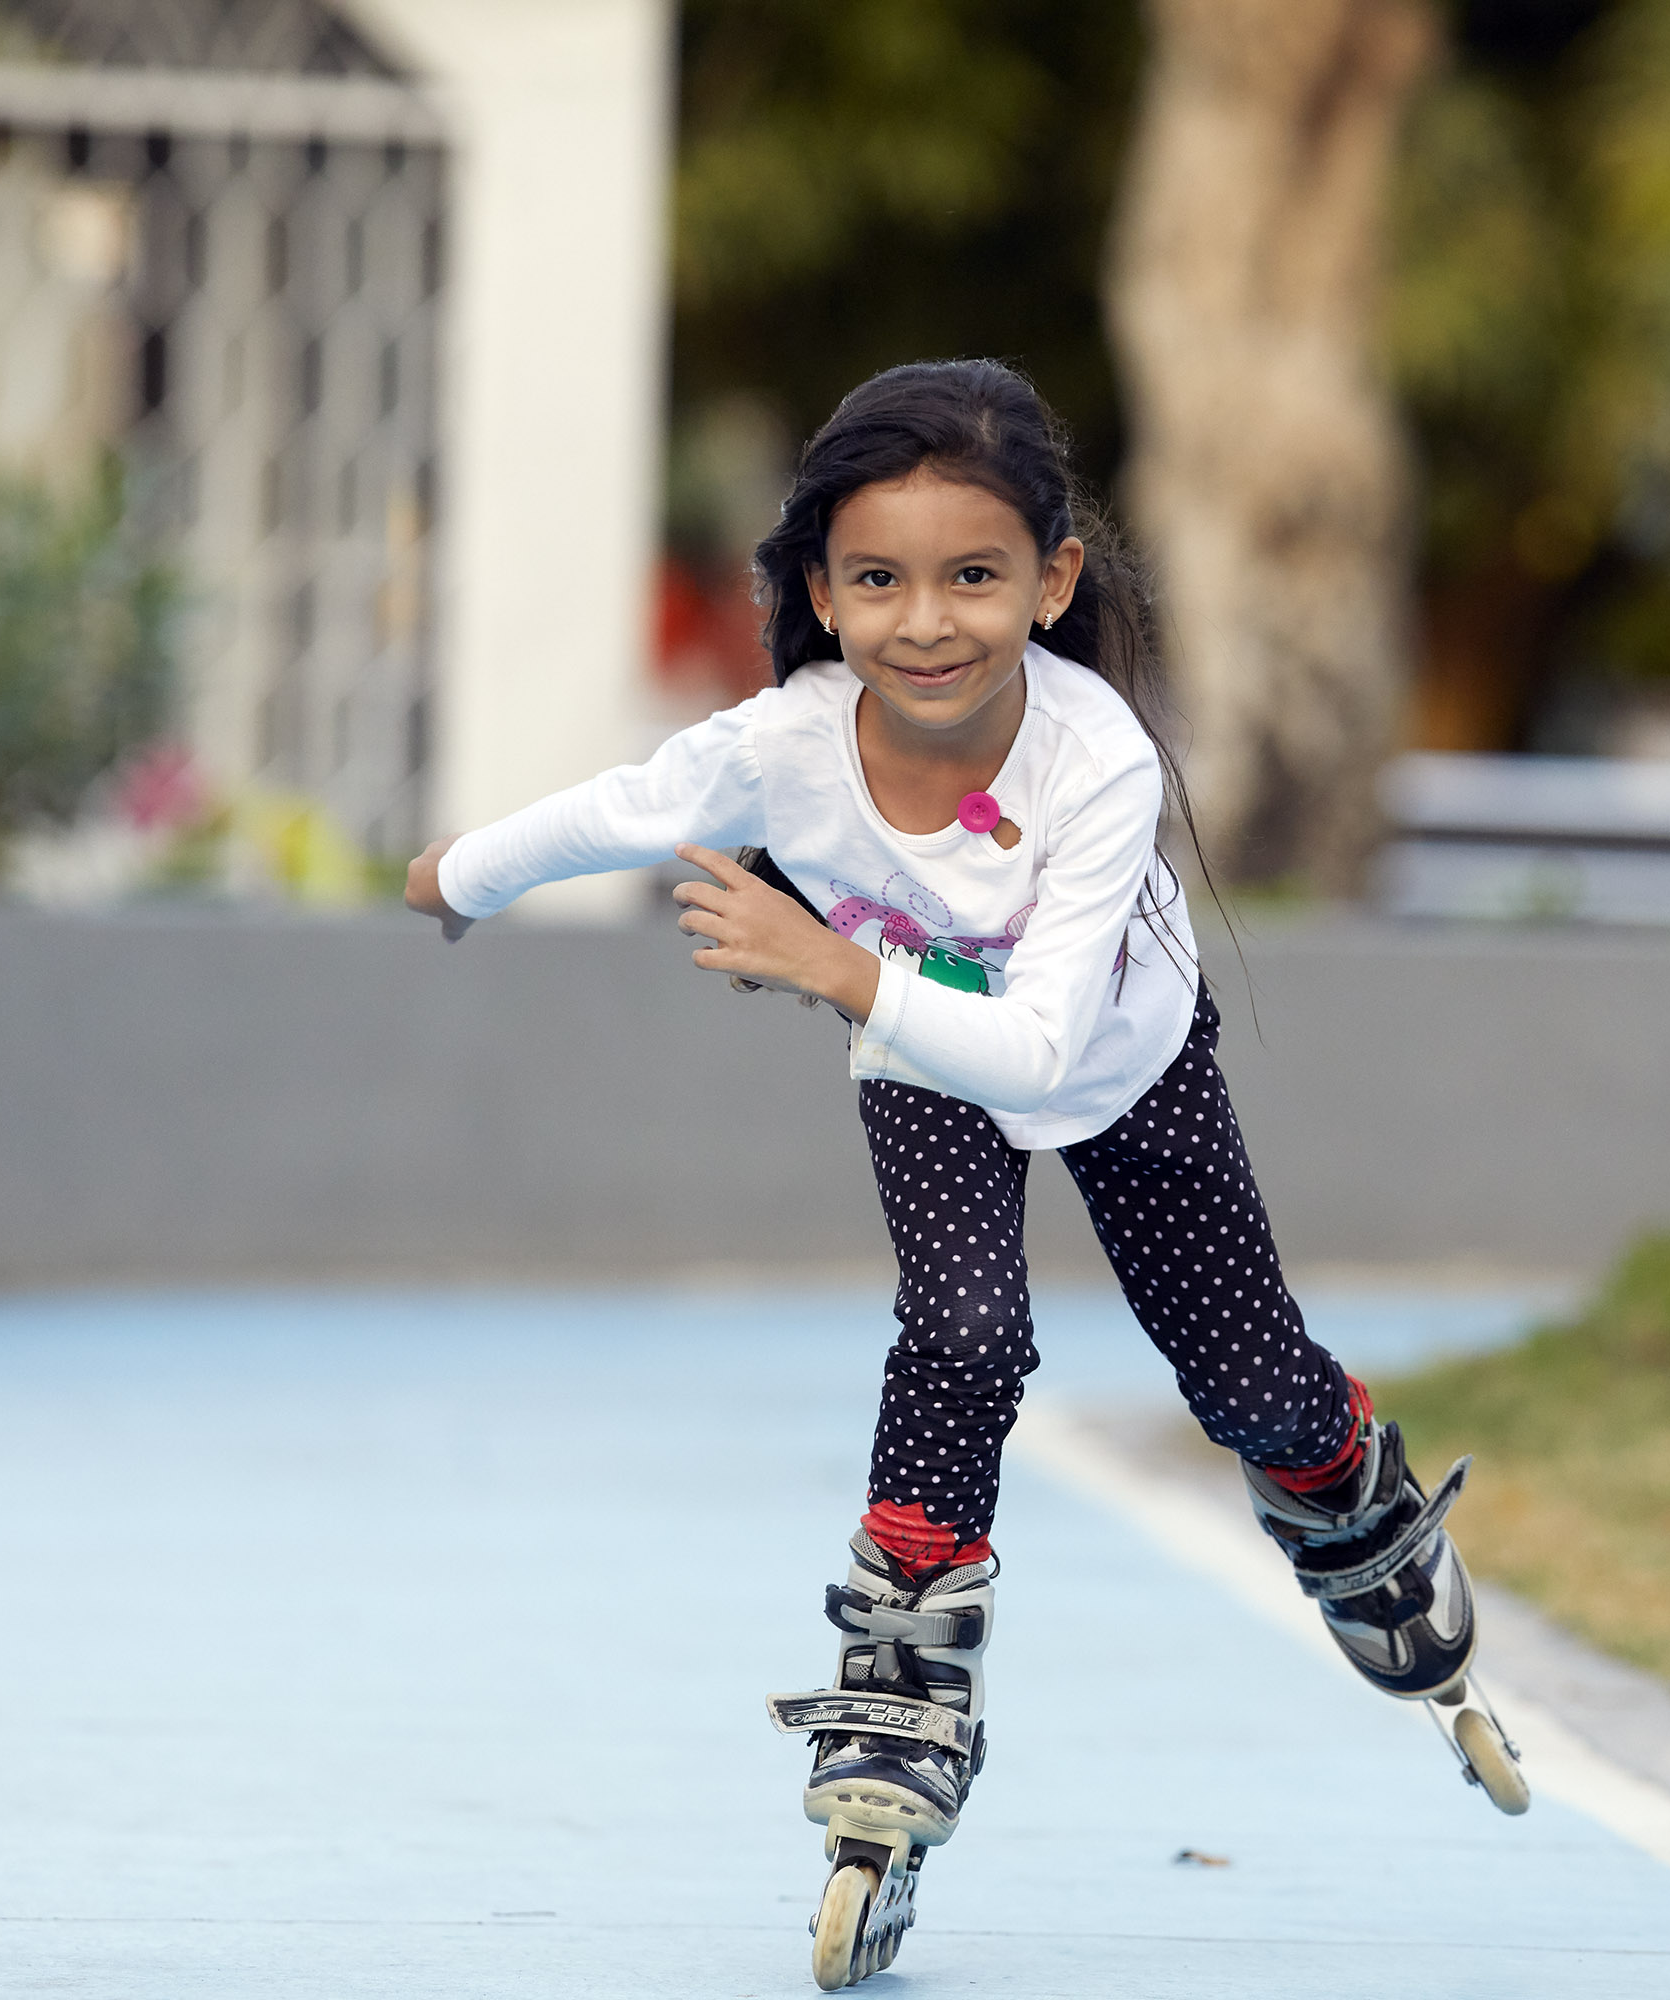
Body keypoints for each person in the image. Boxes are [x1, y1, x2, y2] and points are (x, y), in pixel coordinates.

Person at [405, 360, 1500, 1983]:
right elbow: (629, 808)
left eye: (975, 576)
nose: (928, 621)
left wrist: (833, 965)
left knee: (1243, 1377)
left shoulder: (1099, 757)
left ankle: (1351, 1501)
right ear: (820, 595)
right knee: (966, 1331)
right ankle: (906, 1683)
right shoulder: (783, 745)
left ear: (1052, 582)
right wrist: (461, 875)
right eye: (879, 580)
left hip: (1118, 1062)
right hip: (928, 1064)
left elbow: (1048, 1051)